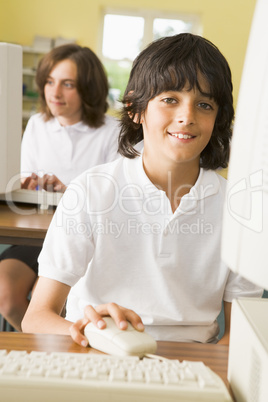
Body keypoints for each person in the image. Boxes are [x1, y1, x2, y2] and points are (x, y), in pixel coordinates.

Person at [22, 34, 263, 345]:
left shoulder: (240, 206)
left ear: (217, 120)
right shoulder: (91, 190)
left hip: (192, 362)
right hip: (101, 351)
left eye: (204, 104)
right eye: (169, 99)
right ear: (135, 108)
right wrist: (91, 331)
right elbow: (37, 316)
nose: (186, 117)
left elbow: (241, 333)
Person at [0, 43, 120, 331]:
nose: (55, 93)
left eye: (68, 84)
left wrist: (71, 193)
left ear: (88, 89)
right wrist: (29, 186)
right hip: (37, 233)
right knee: (6, 295)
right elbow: (25, 186)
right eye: (50, 82)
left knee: (61, 302)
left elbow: (115, 198)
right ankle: (40, 347)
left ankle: (60, 349)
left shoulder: (112, 132)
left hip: (83, 237)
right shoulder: (37, 125)